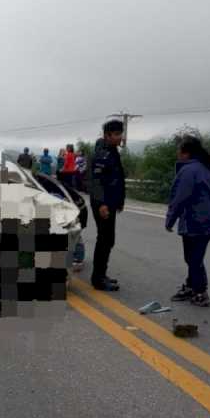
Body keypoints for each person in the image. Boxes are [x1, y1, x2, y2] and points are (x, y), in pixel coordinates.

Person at [165, 135, 210, 307]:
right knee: (194, 255)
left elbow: (180, 198)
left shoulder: (189, 171)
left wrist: (170, 219)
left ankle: (200, 292)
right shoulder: (209, 167)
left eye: (179, 150)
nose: (177, 154)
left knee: (193, 257)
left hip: (198, 219)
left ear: (186, 153)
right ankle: (191, 286)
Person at [88, 120, 126, 291]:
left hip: (110, 203)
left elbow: (117, 178)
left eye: (120, 133)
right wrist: (102, 204)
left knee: (108, 240)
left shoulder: (112, 152)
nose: (120, 137)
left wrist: (120, 201)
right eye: (116, 134)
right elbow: (96, 182)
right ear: (107, 135)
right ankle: (98, 279)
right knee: (104, 240)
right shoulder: (102, 154)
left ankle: (101, 275)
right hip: (102, 204)